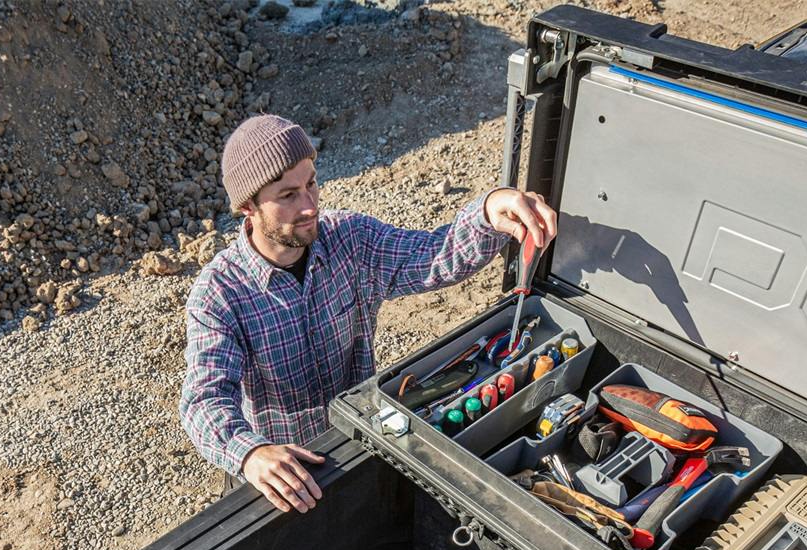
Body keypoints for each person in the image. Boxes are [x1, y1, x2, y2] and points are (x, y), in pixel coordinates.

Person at [180, 114, 558, 514]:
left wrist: (487, 211)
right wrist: (251, 454)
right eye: (288, 195)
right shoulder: (220, 292)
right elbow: (203, 400)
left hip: (359, 445)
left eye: (311, 183)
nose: (309, 206)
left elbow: (433, 255)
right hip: (282, 478)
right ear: (247, 207)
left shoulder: (351, 240)